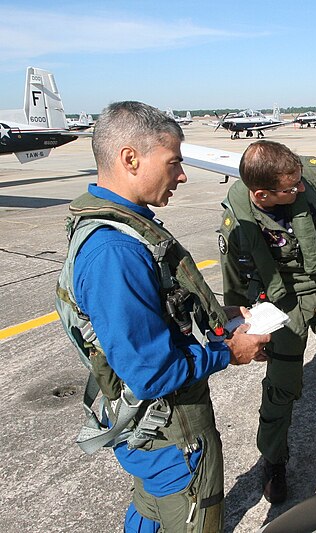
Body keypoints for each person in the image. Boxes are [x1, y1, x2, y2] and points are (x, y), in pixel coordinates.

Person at [55, 101, 272, 532]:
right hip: (171, 434)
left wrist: (219, 314)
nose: (183, 175)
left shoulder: (120, 226)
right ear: (130, 158)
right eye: (174, 162)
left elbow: (149, 313)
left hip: (147, 433)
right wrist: (231, 351)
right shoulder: (116, 250)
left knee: (150, 510)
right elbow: (151, 374)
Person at [217, 140, 316, 504]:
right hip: (282, 300)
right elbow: (232, 272)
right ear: (262, 195)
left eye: (299, 181)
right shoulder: (239, 217)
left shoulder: (312, 173)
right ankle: (273, 459)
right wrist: (237, 316)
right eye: (291, 189)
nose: (301, 189)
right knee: (283, 384)